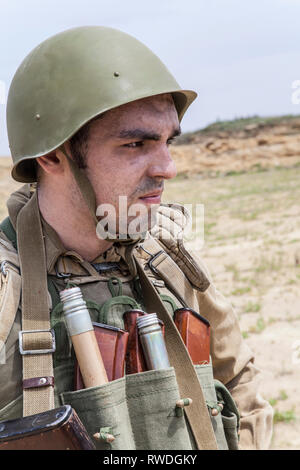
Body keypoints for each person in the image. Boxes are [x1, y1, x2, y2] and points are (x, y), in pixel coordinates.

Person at [0, 26, 273, 450]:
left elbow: (237, 378)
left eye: (168, 141)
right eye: (135, 143)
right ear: (52, 156)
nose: (168, 168)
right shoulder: (6, 293)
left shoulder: (164, 260)